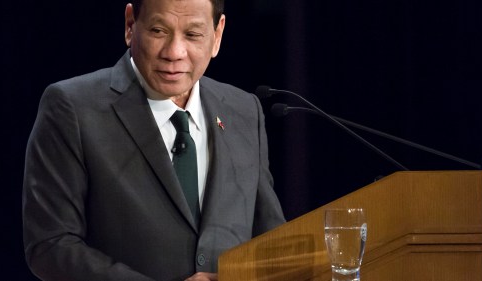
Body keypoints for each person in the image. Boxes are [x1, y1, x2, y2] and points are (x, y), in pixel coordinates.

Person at [22, 0, 286, 280]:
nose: (174, 52)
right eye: (159, 30)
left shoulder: (243, 111)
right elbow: (51, 245)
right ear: (130, 25)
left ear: (217, 34)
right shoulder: (73, 108)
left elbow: (273, 241)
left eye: (193, 35)